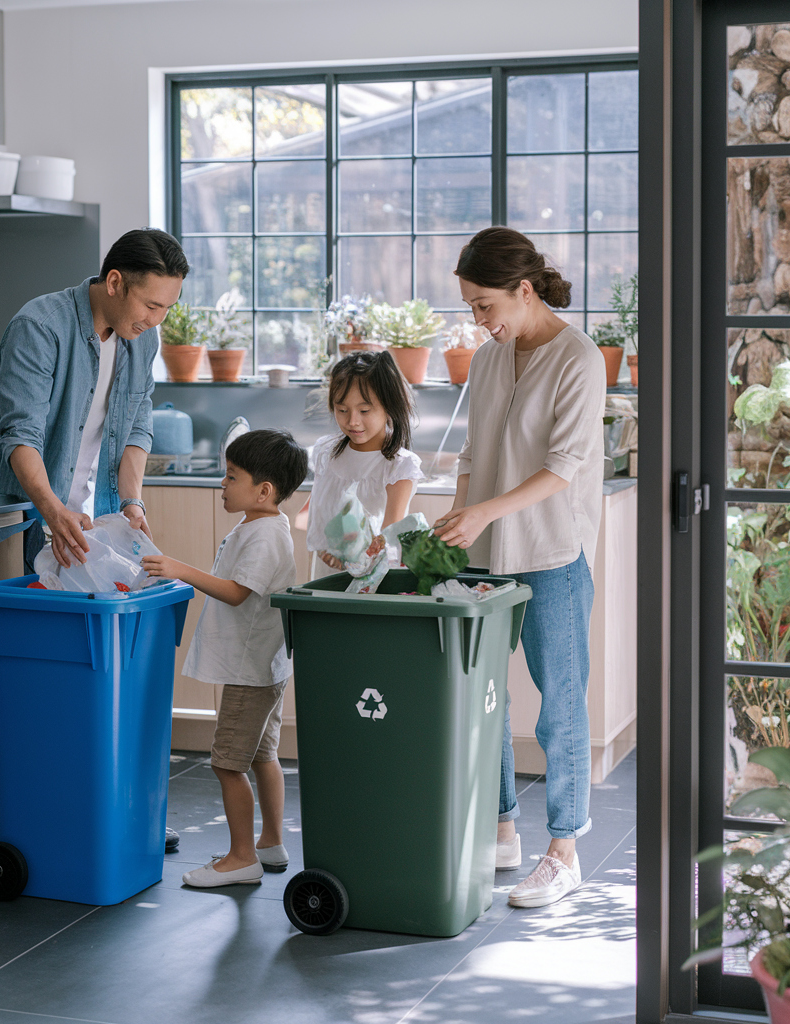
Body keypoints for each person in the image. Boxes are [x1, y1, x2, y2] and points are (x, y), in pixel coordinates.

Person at [434, 226, 606, 909]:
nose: (479, 322)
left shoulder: (579, 358)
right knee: (488, 699)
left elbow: (562, 468)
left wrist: (485, 513)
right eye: (472, 308)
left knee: (559, 704)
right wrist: (457, 520)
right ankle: (502, 828)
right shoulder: (487, 360)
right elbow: (474, 453)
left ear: (524, 290)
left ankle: (563, 850)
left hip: (551, 553)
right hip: (484, 558)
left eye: (484, 306)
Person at [142, 429, 308, 888]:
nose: (222, 484)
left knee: (226, 762)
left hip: (248, 670)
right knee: (261, 755)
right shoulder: (260, 525)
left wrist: (178, 569)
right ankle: (270, 844)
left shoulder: (265, 536)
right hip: (265, 666)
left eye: (231, 477)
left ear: (264, 490)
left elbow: (237, 593)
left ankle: (240, 858)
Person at [0, 228, 189, 572]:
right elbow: (21, 436)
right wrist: (55, 513)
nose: (156, 320)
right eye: (151, 305)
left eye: (167, 308)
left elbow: (136, 428)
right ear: (115, 282)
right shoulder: (40, 327)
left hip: (86, 526)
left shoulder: (143, 340)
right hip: (21, 523)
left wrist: (132, 502)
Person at [302, 351, 423, 573]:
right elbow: (311, 513)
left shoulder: (398, 466)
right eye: (342, 410)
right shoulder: (325, 452)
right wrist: (322, 545)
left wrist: (352, 556)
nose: (352, 421)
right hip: (323, 571)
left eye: (364, 410)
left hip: (369, 575)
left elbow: (389, 536)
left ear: (389, 407)